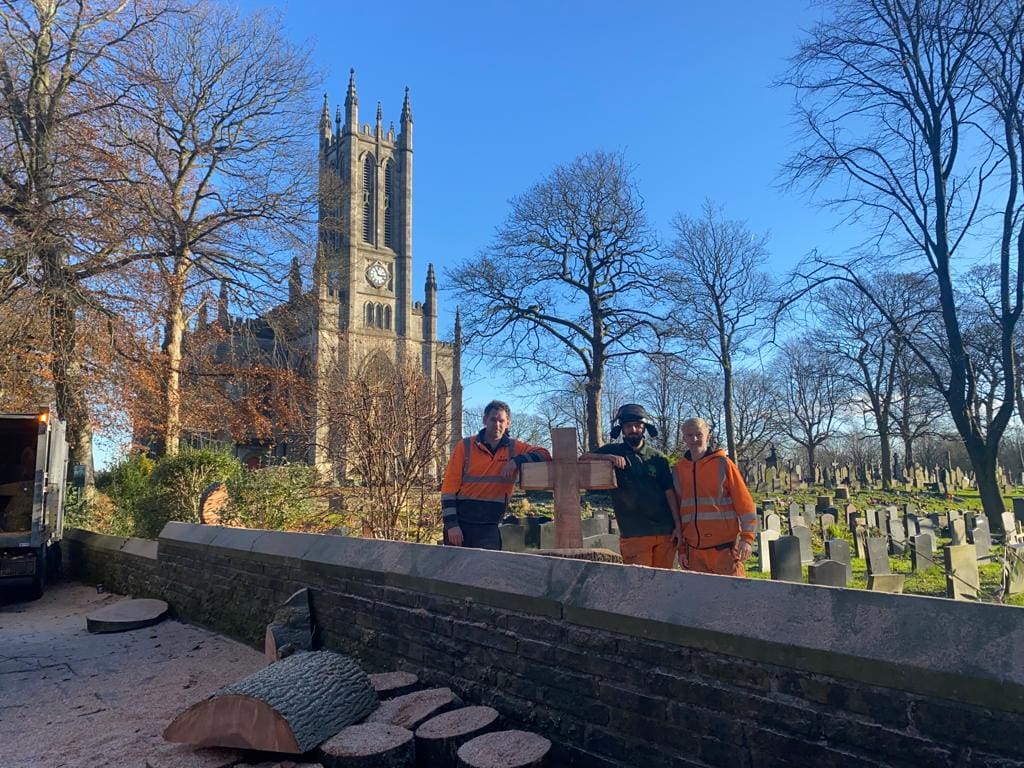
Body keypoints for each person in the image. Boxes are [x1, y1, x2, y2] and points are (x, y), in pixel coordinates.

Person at [441, 400, 551, 550]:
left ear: (508, 423)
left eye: (501, 420)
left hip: (490, 526)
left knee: (488, 570)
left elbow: (544, 454)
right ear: (485, 420)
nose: (497, 424)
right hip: (461, 525)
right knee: (455, 571)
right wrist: (452, 525)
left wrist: (516, 461)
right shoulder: (465, 446)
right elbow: (448, 489)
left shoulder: (514, 448)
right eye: (493, 419)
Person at [580, 404, 680, 568]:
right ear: (622, 429)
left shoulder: (658, 458)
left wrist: (678, 526)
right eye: (628, 426)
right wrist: (608, 458)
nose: (633, 429)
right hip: (634, 533)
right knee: (639, 586)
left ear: (644, 428)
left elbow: (669, 491)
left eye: (637, 425)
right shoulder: (613, 451)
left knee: (664, 585)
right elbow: (583, 459)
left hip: (665, 532)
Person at [672, 417, 756, 576]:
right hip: (694, 553)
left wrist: (747, 539)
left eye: (699, 434)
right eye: (689, 435)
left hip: (723, 550)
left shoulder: (723, 464)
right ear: (684, 438)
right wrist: (682, 549)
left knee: (733, 598)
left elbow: (745, 504)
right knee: (701, 600)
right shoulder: (678, 470)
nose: (694, 439)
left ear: (708, 436)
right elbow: (678, 512)